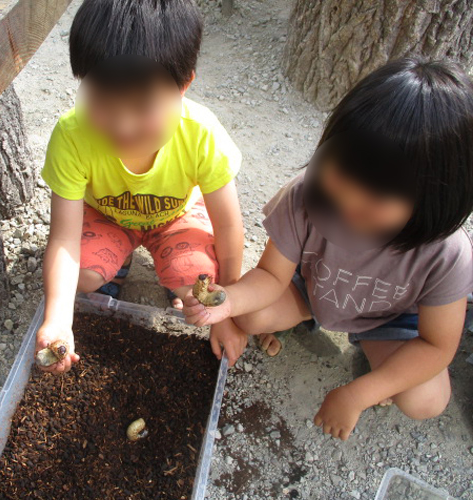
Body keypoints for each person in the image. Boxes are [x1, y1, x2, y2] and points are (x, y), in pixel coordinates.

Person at [183, 58, 473, 440]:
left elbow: (437, 346)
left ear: (438, 200)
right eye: (345, 172)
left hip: (389, 318)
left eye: (378, 194)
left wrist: (359, 393)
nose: (350, 200)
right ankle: (303, 320)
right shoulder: (306, 195)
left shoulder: (447, 254)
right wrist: (227, 301)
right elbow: (272, 276)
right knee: (250, 318)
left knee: (425, 400)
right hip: (315, 288)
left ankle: (370, 357)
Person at [37, 0, 248, 374]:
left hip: (175, 217)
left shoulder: (201, 134)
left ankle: (171, 273)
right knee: (82, 277)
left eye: (142, 107)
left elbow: (230, 228)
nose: (123, 126)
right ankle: (117, 260)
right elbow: (63, 239)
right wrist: (58, 319)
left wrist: (225, 311)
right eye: (102, 102)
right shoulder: (72, 136)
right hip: (107, 216)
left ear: (184, 86)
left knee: (199, 286)